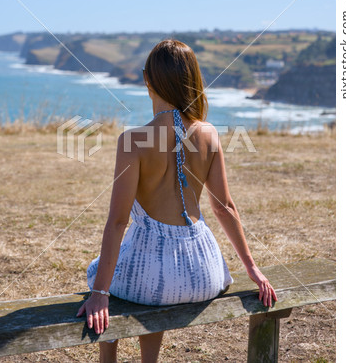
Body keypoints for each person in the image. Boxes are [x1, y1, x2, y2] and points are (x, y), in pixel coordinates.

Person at [77, 39, 277, 363]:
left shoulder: (133, 141)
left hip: (152, 274)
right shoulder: (210, 134)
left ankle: (107, 359)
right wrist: (252, 269)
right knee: (149, 284)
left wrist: (100, 294)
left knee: (102, 273)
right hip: (203, 273)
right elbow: (224, 206)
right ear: (193, 79)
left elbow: (117, 222)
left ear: (147, 79)